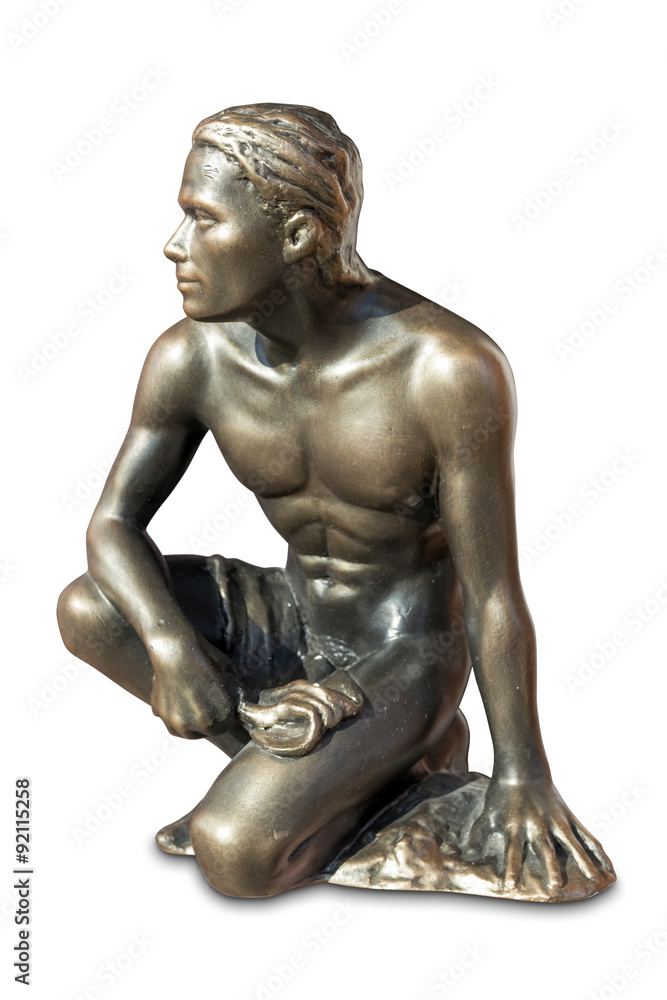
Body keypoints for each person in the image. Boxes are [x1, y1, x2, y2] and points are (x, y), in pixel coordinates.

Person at [57, 103, 613, 899]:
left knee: (235, 856)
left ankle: (341, 778)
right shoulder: (193, 357)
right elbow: (113, 525)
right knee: (91, 608)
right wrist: (173, 649)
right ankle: (309, 774)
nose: (174, 245)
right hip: (293, 616)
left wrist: (521, 774)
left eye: (203, 219)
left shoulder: (444, 369)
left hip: (404, 652)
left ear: (294, 236)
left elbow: (492, 596)